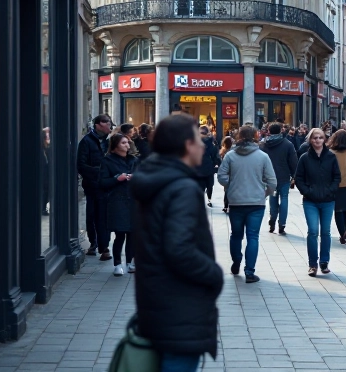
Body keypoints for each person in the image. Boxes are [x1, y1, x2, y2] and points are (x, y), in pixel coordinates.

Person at [131, 114, 223, 370]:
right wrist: (213, 274)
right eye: (197, 140)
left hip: (158, 300)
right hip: (180, 305)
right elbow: (179, 249)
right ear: (186, 145)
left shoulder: (155, 178)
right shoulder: (181, 187)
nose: (203, 145)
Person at [217, 125, 276, 284]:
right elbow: (272, 182)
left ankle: (236, 262)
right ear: (256, 137)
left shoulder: (230, 156)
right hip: (256, 203)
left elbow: (221, 176)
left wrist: (231, 186)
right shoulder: (263, 156)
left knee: (236, 235)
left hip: (236, 201)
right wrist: (264, 193)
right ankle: (249, 271)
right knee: (253, 236)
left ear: (238, 136)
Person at [294, 128, 340, 277]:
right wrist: (307, 191)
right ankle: (313, 264)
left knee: (325, 232)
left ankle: (324, 262)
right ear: (310, 140)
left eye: (320, 137)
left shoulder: (331, 157)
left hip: (328, 200)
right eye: (315, 138)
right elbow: (298, 178)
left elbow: (337, 177)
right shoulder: (304, 158)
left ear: (324, 139)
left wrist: (330, 190)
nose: (318, 140)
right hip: (310, 201)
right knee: (313, 231)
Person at [99, 133, 138, 276]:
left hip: (133, 200)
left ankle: (130, 262)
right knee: (120, 233)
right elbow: (103, 183)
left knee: (132, 233)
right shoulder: (107, 161)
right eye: (123, 143)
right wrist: (118, 178)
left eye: (127, 143)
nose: (127, 145)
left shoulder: (133, 160)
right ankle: (117, 264)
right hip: (117, 200)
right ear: (115, 146)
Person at [77, 115, 113, 260]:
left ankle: (104, 247)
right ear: (98, 125)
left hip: (106, 185)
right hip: (92, 185)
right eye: (108, 124)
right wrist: (99, 173)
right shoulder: (86, 141)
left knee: (104, 216)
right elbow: (81, 165)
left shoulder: (109, 141)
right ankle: (93, 244)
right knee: (92, 214)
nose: (110, 127)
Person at [261, 123, 298, 236]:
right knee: (284, 198)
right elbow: (293, 162)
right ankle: (282, 224)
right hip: (284, 176)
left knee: (272, 198)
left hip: (269, 177)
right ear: (281, 130)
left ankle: (272, 221)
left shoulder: (264, 144)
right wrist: (294, 176)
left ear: (269, 131)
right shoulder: (287, 144)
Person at [196, 126, 220, 208]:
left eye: (203, 133)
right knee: (207, 185)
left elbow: (215, 156)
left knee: (206, 186)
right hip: (205, 169)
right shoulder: (211, 143)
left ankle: (206, 200)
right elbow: (215, 156)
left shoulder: (196, 143)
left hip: (201, 168)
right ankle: (207, 200)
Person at [219, 136, 234, 213]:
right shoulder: (233, 151)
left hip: (226, 172)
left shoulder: (223, 151)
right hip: (232, 172)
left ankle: (225, 205)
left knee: (226, 190)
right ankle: (229, 204)